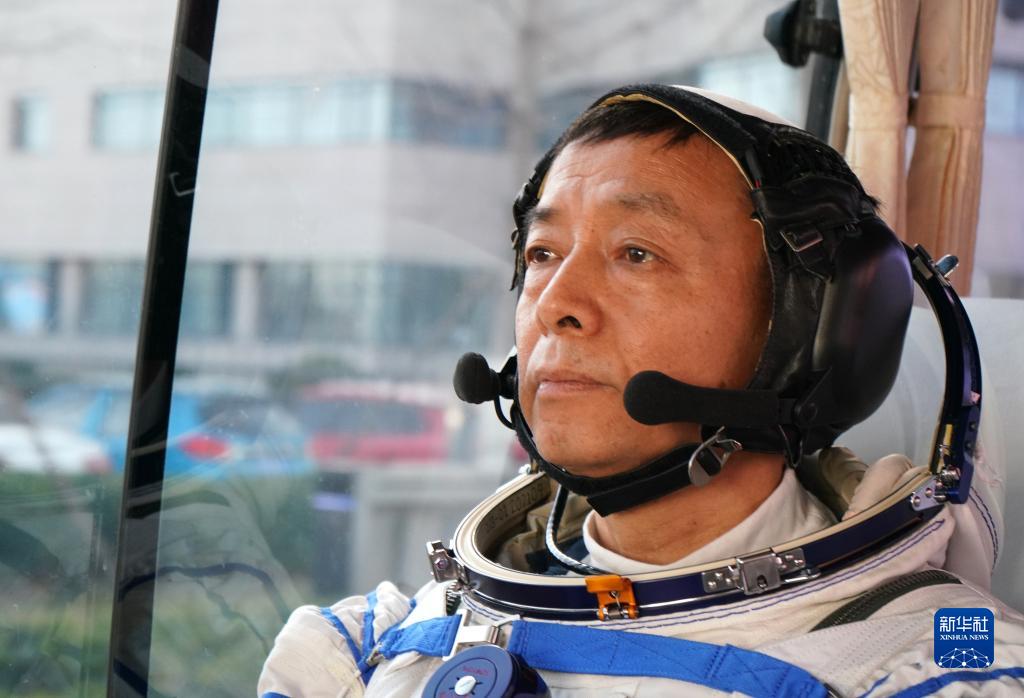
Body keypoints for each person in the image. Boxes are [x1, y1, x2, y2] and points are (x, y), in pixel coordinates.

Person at [258, 85, 1024, 697]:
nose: (556, 302)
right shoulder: (366, 654)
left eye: (636, 253)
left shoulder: (939, 670)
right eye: (543, 252)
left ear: (818, 330)